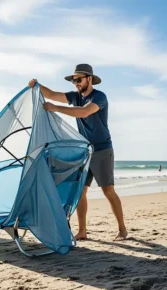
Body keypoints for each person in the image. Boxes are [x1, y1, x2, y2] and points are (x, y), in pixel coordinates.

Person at [28, 63, 127, 241]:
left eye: (79, 80)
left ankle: (122, 230)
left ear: (89, 79)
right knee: (81, 191)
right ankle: (82, 231)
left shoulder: (99, 97)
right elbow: (50, 94)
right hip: (85, 151)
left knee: (108, 191)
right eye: (74, 80)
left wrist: (56, 108)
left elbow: (83, 113)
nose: (76, 83)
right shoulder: (75, 96)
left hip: (102, 150)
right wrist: (36, 85)